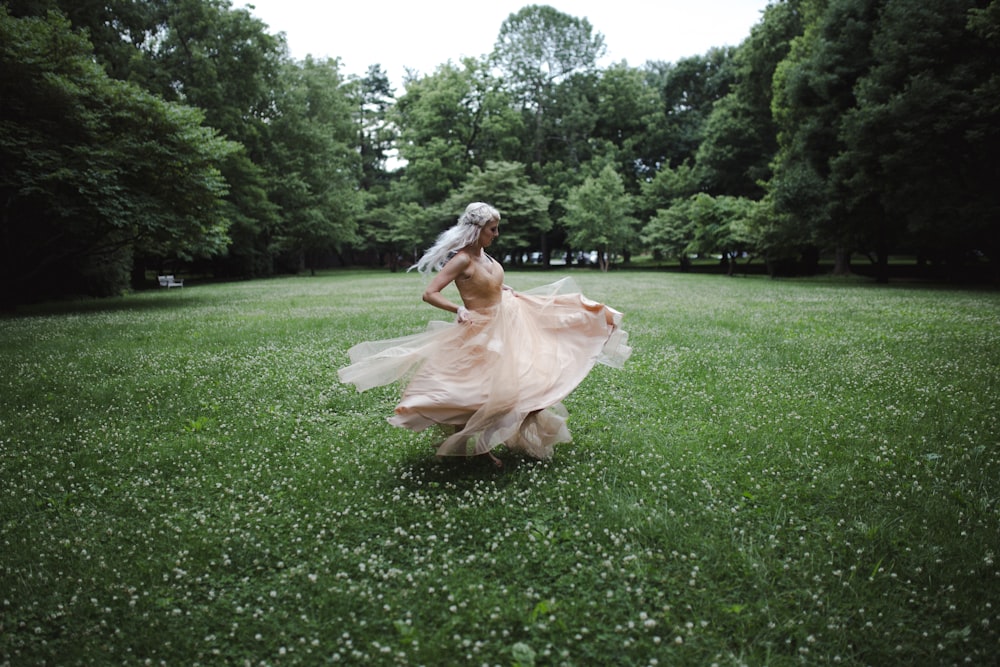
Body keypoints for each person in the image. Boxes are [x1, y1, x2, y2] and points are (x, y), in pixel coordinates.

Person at [338, 202, 631, 466]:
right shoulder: (461, 260)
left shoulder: (486, 258)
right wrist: (458, 310)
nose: (497, 233)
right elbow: (429, 293)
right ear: (477, 230)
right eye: (493, 229)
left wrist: (500, 289)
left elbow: (485, 284)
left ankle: (481, 443)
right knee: (475, 393)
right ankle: (474, 446)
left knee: (531, 383)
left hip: (509, 321)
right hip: (480, 330)